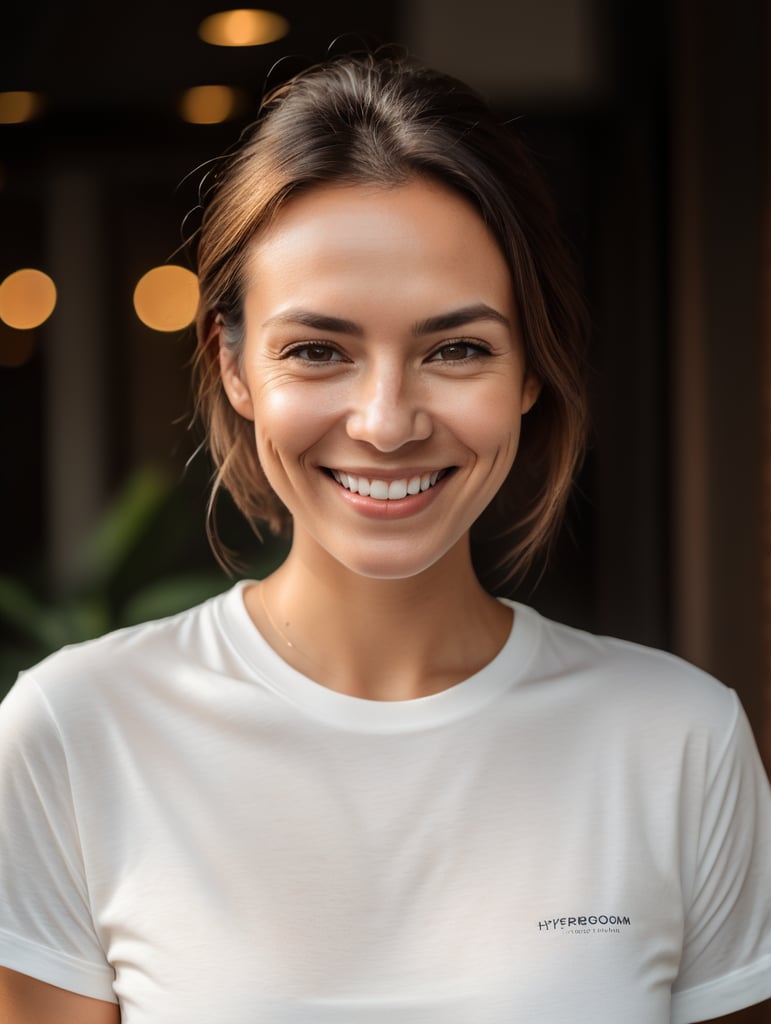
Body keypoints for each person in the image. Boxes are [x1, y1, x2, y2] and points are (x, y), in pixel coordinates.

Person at [1, 48, 770, 1024]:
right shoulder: (76, 733)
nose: (386, 419)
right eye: (318, 350)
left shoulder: (679, 740)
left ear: (530, 370)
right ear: (233, 367)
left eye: (457, 349)